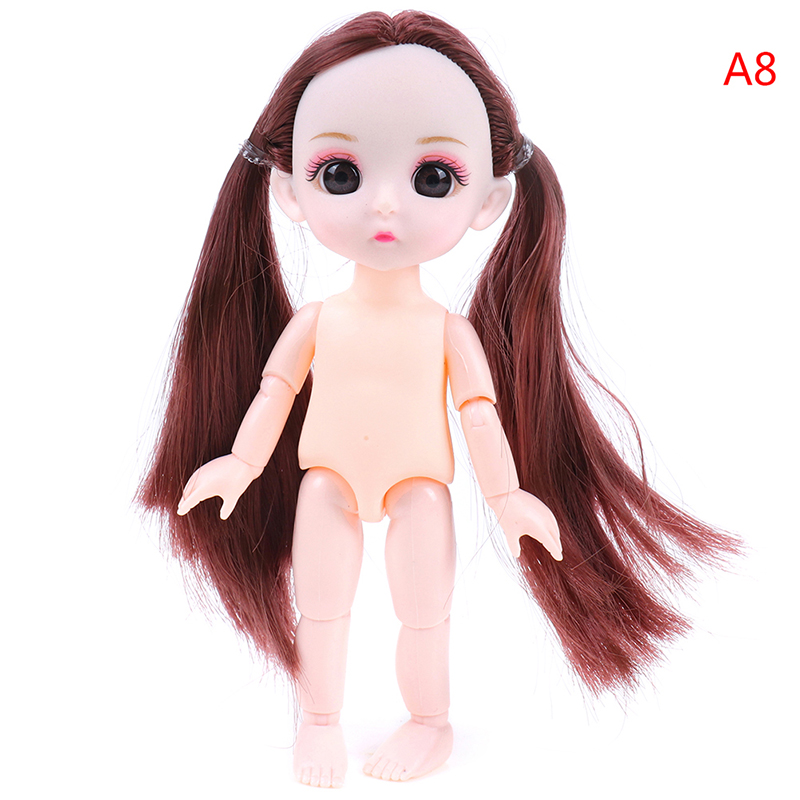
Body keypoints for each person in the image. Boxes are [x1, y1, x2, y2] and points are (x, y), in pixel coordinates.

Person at [138, 11, 739, 788]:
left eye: (433, 178)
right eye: (341, 173)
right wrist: (241, 463)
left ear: (488, 201)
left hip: (420, 484)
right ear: (289, 190)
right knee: (322, 607)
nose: (386, 205)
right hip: (327, 481)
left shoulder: (448, 332)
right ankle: (318, 721)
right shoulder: (318, 322)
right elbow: (274, 391)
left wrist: (509, 496)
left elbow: (479, 416)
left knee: (424, 614)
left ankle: (429, 722)